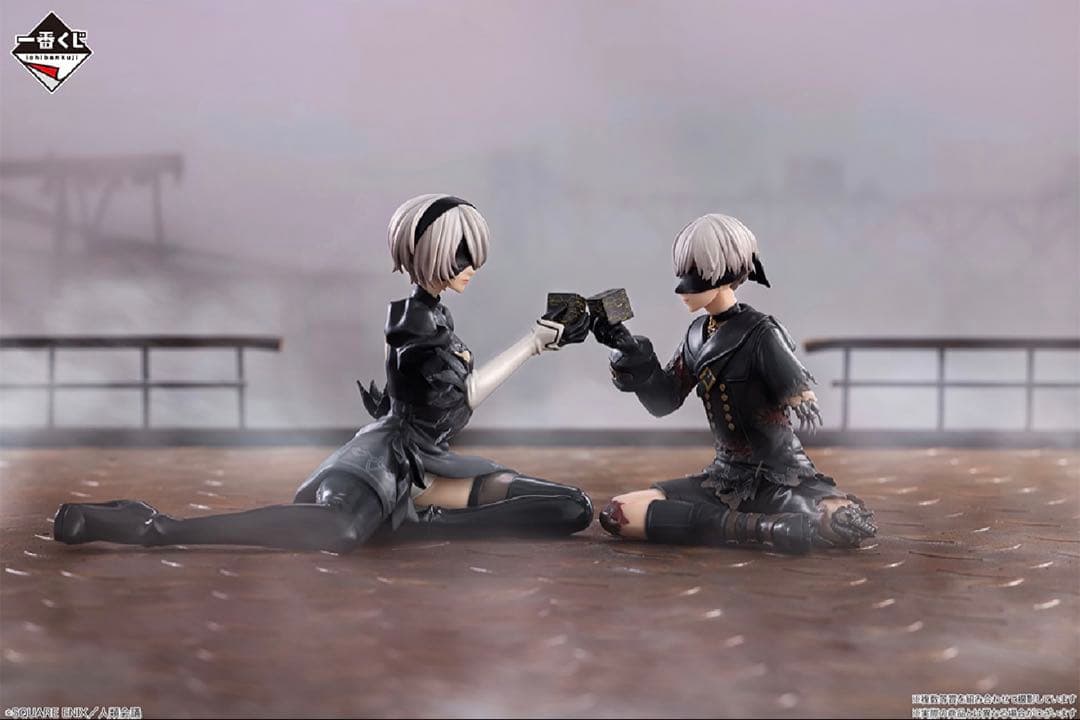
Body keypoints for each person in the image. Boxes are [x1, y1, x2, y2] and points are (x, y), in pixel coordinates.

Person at [53, 194, 594, 552]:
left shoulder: (437, 319)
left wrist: (540, 340)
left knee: (570, 507)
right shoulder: (414, 328)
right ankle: (152, 525)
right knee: (342, 529)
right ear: (429, 254)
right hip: (382, 464)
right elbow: (464, 397)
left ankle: (414, 524)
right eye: (461, 255)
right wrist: (532, 343)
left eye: (474, 255)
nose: (471, 267)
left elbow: (446, 402)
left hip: (431, 470)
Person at [591, 213, 876, 554]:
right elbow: (663, 401)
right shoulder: (696, 335)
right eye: (682, 273)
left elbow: (795, 385)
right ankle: (759, 528)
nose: (682, 288)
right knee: (619, 512)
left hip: (779, 478)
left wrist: (798, 393)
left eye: (696, 274)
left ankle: (742, 524)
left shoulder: (761, 332)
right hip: (724, 479)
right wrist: (630, 351)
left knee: (841, 521)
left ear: (724, 273)